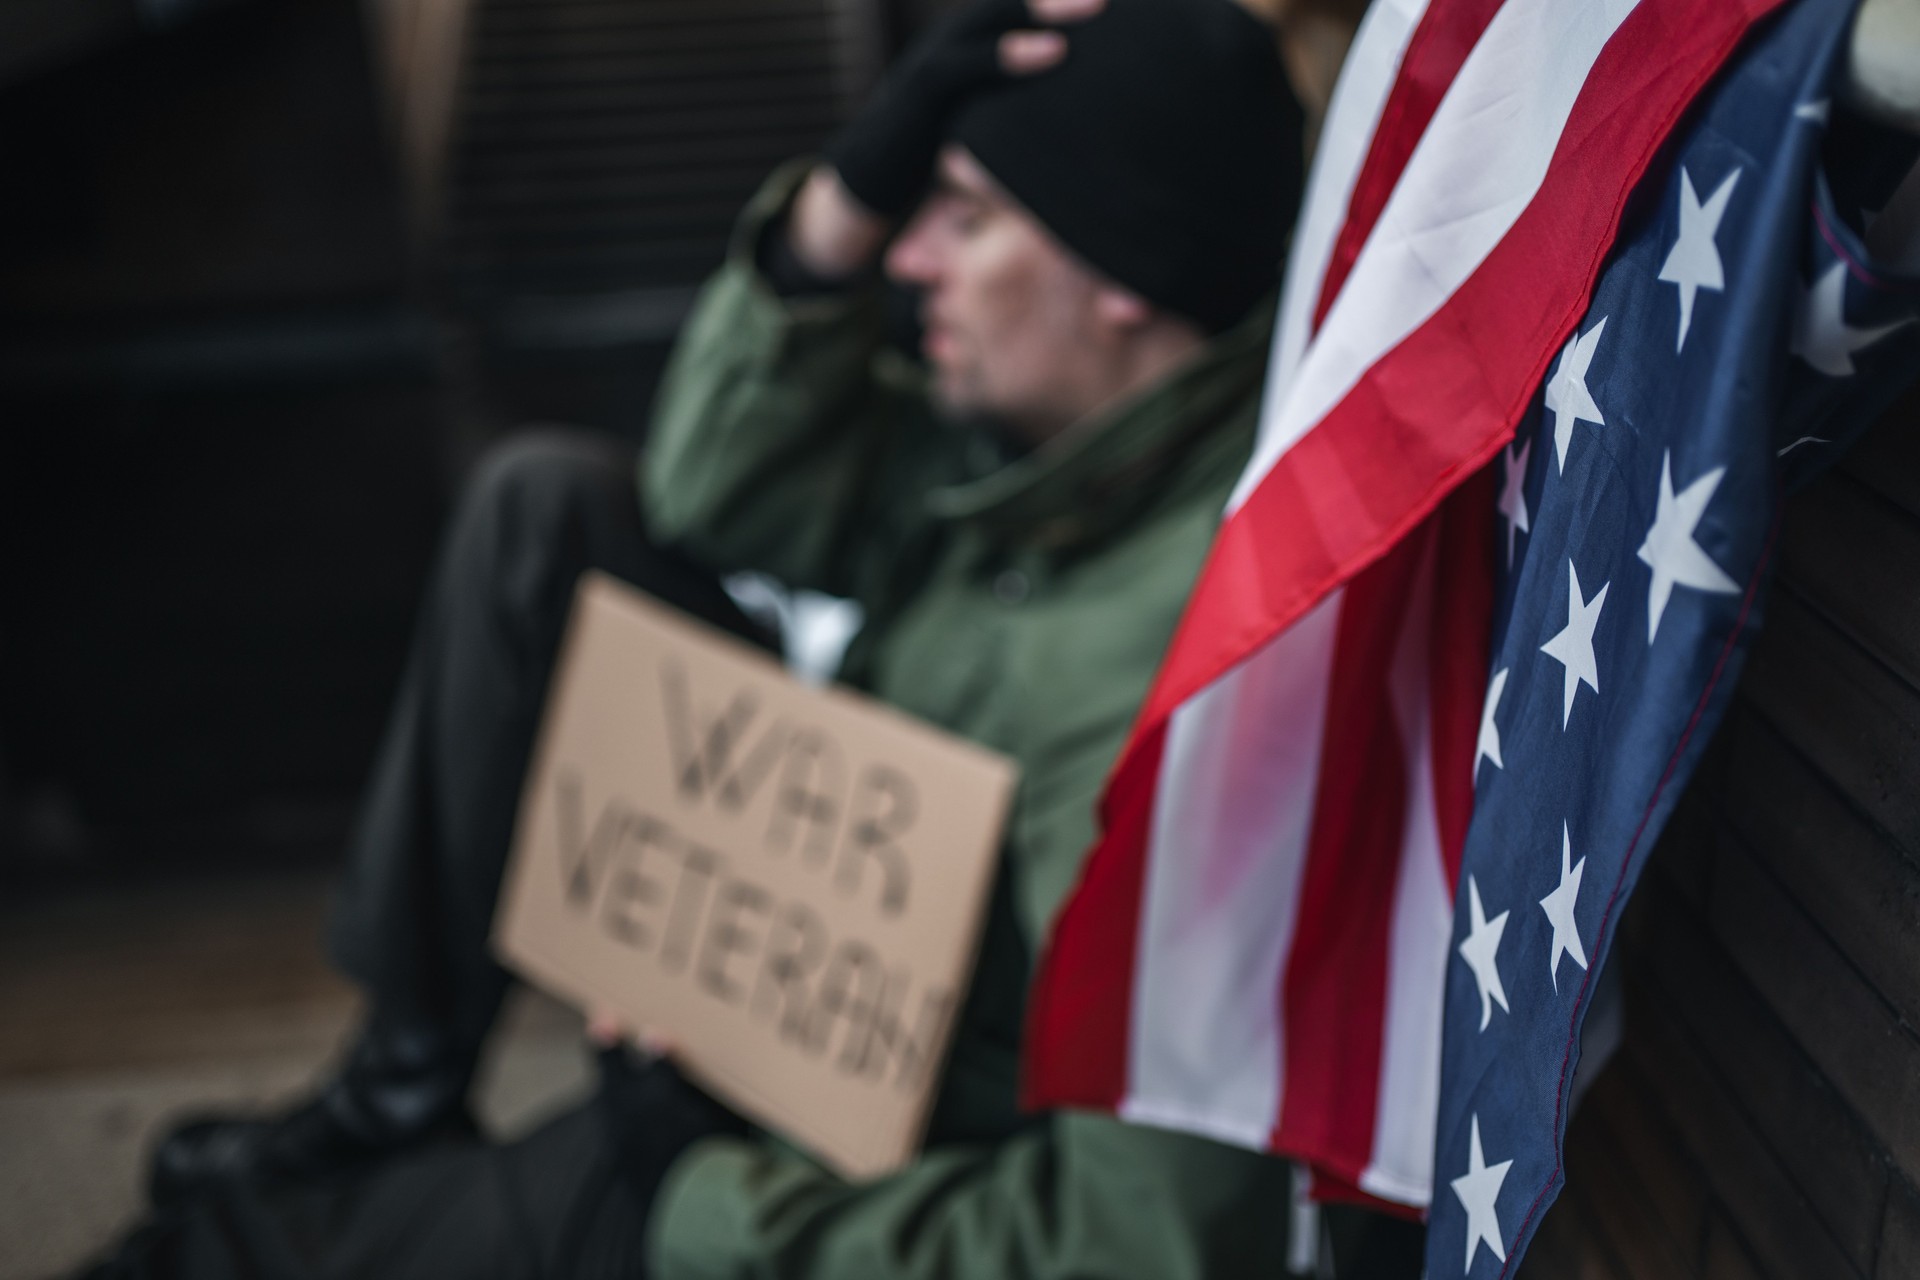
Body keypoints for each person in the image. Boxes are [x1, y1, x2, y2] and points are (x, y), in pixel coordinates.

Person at [83, 0, 1311, 1274]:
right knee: (546, 505)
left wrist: (710, 1197)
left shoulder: (1185, 690)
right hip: (797, 1006)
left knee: (229, 1251)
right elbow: (708, 489)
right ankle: (395, 1096)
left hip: (834, 1178)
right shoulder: (1040, 446)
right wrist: (833, 208)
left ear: (1124, 272)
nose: (909, 258)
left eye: (966, 213)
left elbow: (1139, 1242)